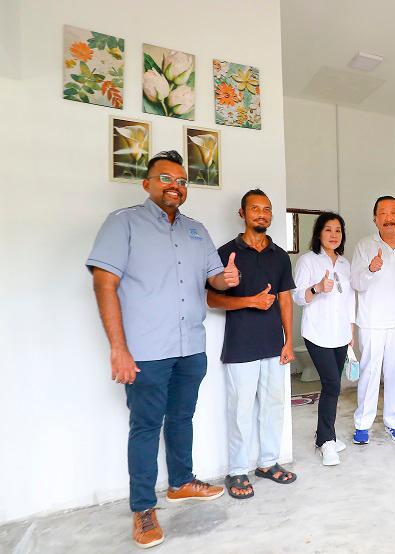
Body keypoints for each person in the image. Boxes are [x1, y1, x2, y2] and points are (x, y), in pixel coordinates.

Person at [86, 150, 237, 548]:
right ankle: (142, 508)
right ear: (148, 184)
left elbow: (215, 281)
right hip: (146, 351)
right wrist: (118, 348)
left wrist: (228, 278)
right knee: (146, 426)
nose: (176, 186)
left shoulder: (197, 230)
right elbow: (104, 284)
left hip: (191, 346)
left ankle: (182, 482)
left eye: (183, 181)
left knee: (182, 417)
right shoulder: (124, 223)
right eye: (167, 178)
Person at [207, 189, 297, 499]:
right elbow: (210, 297)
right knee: (241, 410)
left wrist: (288, 340)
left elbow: (285, 300)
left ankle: (268, 463)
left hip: (274, 345)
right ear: (242, 214)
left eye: (267, 209)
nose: (262, 213)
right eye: (255, 208)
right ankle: (237, 471)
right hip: (241, 345)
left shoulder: (280, 256)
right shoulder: (225, 253)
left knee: (272, 406)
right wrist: (249, 302)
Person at [350, 196, 395, 444]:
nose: (389, 218)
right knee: (370, 372)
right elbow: (355, 283)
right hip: (372, 320)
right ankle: (362, 424)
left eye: (393, 212)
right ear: (374, 218)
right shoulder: (364, 245)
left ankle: (393, 421)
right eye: (383, 213)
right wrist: (371, 269)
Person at [292, 212, 355, 466]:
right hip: (316, 333)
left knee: (333, 384)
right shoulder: (307, 261)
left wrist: (351, 331)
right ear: (319, 233)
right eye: (328, 230)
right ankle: (327, 440)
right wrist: (317, 288)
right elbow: (298, 297)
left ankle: (323, 436)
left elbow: (350, 299)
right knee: (332, 385)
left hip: (340, 334)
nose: (333, 235)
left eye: (338, 230)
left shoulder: (345, 263)